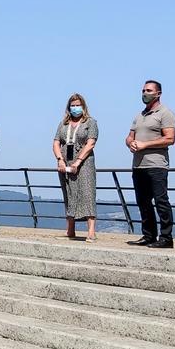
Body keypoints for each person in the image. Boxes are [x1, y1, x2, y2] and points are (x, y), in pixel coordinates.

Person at [125, 80, 175, 249]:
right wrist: (130, 142)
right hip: (139, 165)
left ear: (158, 93)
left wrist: (145, 145)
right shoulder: (139, 115)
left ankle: (166, 237)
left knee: (161, 201)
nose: (144, 93)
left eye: (148, 90)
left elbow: (170, 138)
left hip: (156, 165)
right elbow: (130, 136)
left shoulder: (165, 113)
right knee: (143, 202)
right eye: (143, 90)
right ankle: (149, 235)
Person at [53, 94, 99, 242]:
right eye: (72, 105)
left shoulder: (90, 123)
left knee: (87, 192)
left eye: (77, 105)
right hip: (65, 161)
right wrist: (60, 159)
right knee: (69, 193)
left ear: (83, 106)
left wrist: (78, 161)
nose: (75, 108)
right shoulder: (63, 124)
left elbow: (90, 143)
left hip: (84, 162)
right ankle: (70, 229)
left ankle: (91, 231)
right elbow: (56, 142)